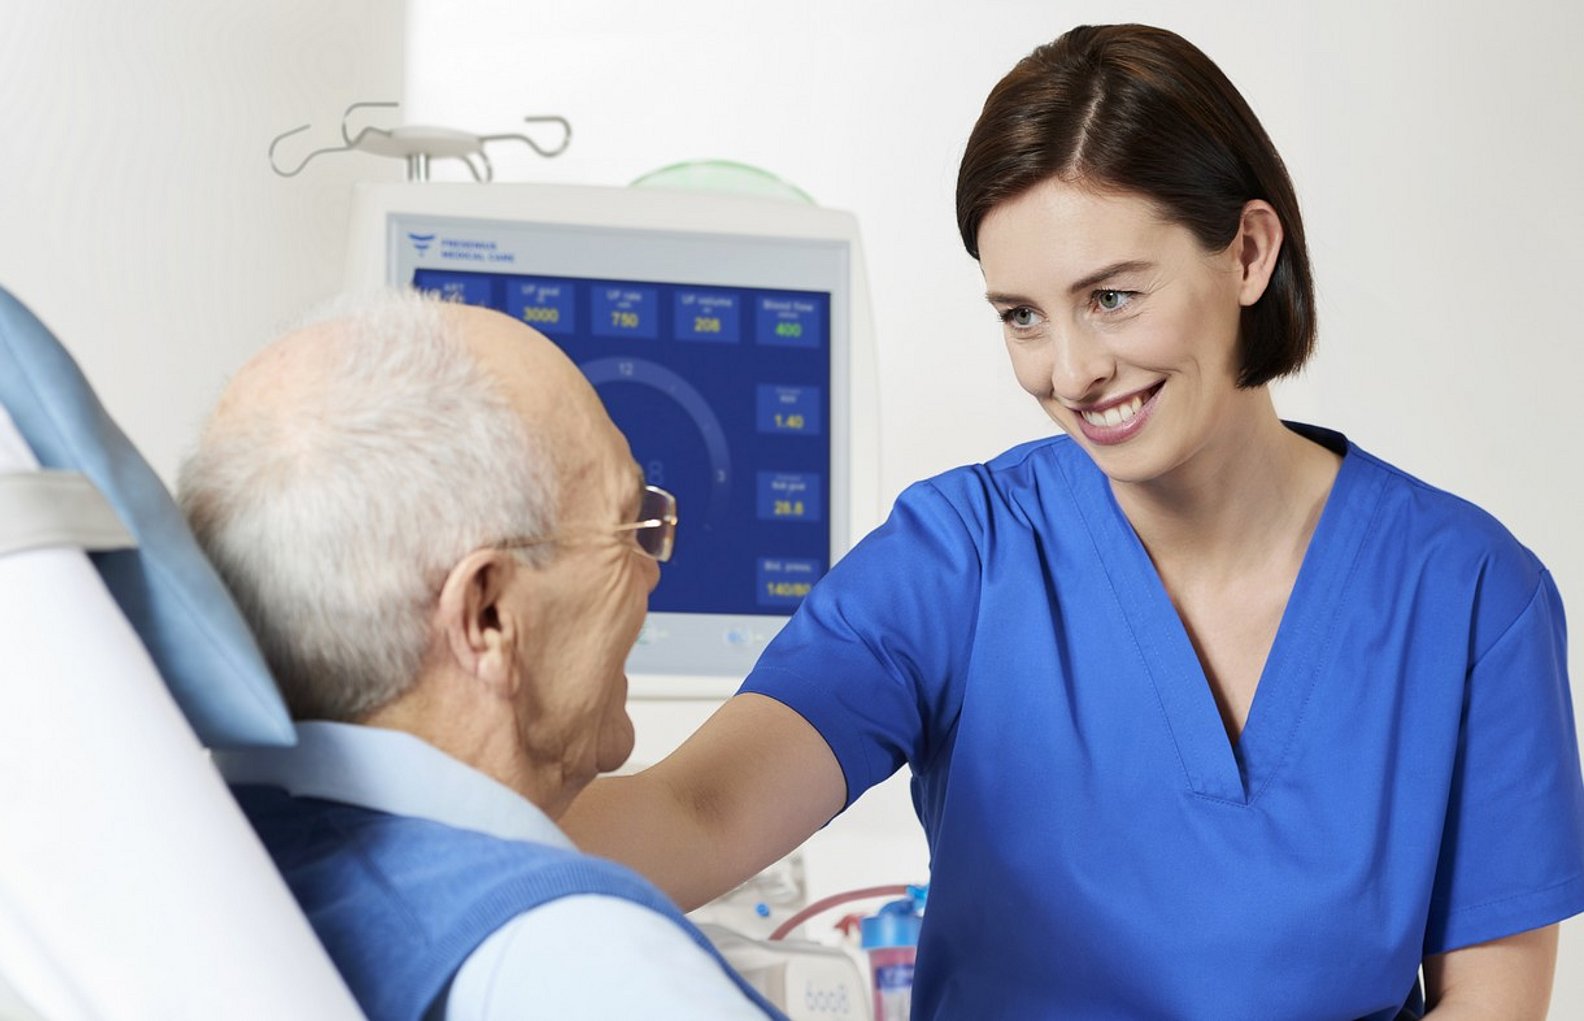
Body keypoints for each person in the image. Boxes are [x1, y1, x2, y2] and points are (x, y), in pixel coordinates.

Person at [562, 23, 1584, 1019]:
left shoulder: (1469, 593)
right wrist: (423, 794)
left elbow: (1491, 997)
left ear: (1249, 252)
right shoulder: (959, 560)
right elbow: (700, 811)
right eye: (1022, 315)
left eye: (1113, 298)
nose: (1071, 370)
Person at [178, 292, 781, 1021]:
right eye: (629, 527)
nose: (652, 567)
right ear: (488, 614)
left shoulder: (189, 878)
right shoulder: (586, 963)